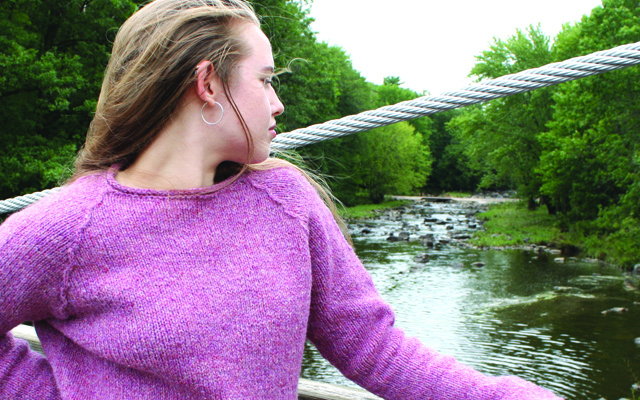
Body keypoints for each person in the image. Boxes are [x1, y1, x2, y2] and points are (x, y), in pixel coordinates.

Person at [0, 1, 563, 399]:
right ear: (208, 83)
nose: (278, 103)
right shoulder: (69, 229)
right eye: (266, 80)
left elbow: (371, 346)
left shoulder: (285, 200)